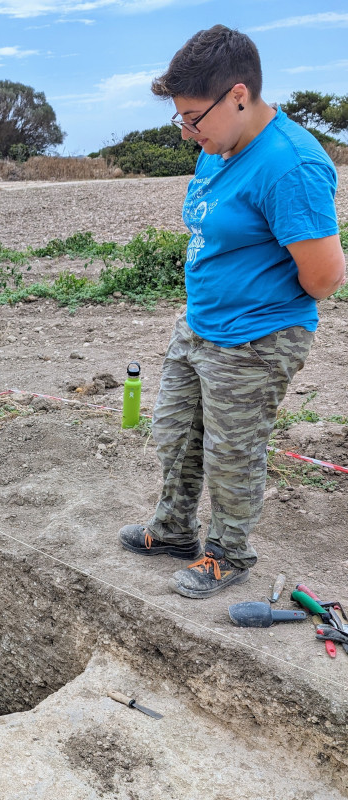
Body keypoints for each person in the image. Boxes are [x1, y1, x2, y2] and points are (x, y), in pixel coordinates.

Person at [119, 25, 345, 599]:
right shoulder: (217, 149)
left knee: (232, 455)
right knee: (176, 434)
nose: (187, 130)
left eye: (194, 116)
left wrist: (255, 296)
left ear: (239, 95)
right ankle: (172, 531)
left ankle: (228, 553)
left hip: (255, 338)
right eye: (181, 118)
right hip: (198, 325)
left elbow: (323, 276)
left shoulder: (289, 164)